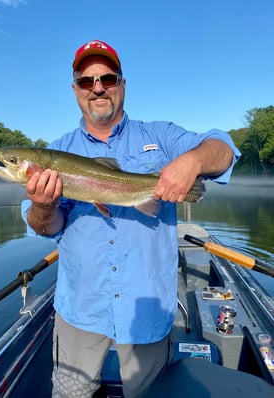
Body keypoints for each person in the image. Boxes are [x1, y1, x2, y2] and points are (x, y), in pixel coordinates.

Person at [22, 39, 241, 397]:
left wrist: (193, 161)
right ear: (75, 89)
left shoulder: (161, 136)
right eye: (85, 81)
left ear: (122, 84)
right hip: (80, 310)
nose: (97, 88)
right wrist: (44, 206)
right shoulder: (56, 151)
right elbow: (44, 227)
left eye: (107, 79)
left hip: (147, 312)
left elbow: (224, 148)